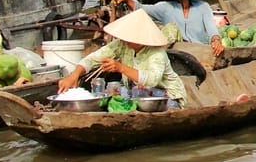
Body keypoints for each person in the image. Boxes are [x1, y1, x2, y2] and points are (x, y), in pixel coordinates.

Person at [57, 9, 188, 108]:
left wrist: (121, 68)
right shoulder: (122, 44)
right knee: (112, 91)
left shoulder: (157, 53)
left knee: (136, 94)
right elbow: (93, 59)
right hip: (138, 93)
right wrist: (74, 75)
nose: (125, 40)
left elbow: (151, 80)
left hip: (167, 97)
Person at [118, 0, 224, 57]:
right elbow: (142, 9)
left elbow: (211, 28)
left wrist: (216, 40)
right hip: (176, 53)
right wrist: (127, 0)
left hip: (200, 51)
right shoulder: (166, 8)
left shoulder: (203, 7)